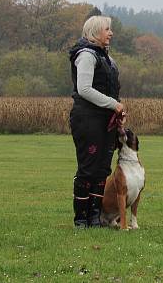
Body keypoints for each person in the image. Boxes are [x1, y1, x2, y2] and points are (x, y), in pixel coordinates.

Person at [68, 15, 125, 227]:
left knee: (102, 169)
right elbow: (84, 89)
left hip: (105, 121)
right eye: (107, 29)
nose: (111, 33)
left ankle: (95, 217)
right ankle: (81, 219)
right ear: (95, 32)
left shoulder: (109, 60)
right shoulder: (86, 55)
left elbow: (112, 91)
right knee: (88, 168)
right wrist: (113, 104)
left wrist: (118, 108)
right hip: (87, 119)